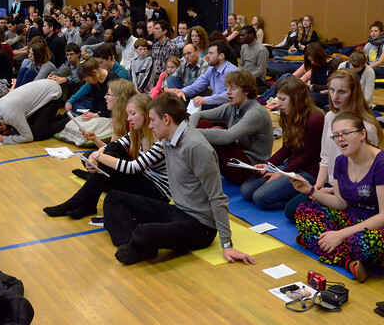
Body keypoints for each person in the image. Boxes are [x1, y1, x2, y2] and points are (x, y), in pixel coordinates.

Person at [103, 93, 256, 265]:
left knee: (143, 231)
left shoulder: (196, 146)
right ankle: (133, 244)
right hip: (178, 211)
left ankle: (137, 243)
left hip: (200, 226)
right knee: (114, 199)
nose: (150, 126)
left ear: (166, 119)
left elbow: (217, 197)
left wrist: (227, 244)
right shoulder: (168, 139)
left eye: (153, 120)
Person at [290, 112, 384, 281]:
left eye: (346, 133)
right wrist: (310, 190)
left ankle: (317, 242)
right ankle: (349, 262)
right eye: (336, 136)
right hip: (357, 222)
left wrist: (340, 235)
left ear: (362, 134)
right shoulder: (340, 161)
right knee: (304, 210)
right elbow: (341, 203)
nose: (340, 139)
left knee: (362, 242)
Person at [45, 93, 170, 219]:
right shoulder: (137, 132)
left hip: (156, 194)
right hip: (143, 180)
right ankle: (88, 204)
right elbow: (114, 145)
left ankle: (75, 203)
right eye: (128, 114)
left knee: (108, 159)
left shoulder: (159, 141)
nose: (129, 119)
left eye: (133, 114)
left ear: (146, 114)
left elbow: (132, 168)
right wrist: (94, 157)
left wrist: (98, 156)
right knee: (109, 153)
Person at [284, 69, 384, 222]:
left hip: (355, 190)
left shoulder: (367, 128)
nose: (335, 96)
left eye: (342, 92)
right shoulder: (330, 116)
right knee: (291, 211)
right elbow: (325, 156)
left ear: (353, 93)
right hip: (332, 184)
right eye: (331, 90)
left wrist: (331, 191)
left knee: (298, 213)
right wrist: (318, 186)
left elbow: (371, 173)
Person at [240, 77, 323, 210]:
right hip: (290, 166)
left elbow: (308, 156)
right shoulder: (288, 113)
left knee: (260, 198)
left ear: (297, 99)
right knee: (246, 191)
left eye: (282, 100)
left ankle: (304, 201)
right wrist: (268, 165)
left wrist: (282, 173)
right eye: (278, 98)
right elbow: (286, 148)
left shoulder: (315, 119)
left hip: (308, 171)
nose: (278, 103)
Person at [190, 70, 273, 185]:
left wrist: (190, 133)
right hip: (234, 164)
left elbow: (227, 137)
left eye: (232, 89)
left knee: (218, 133)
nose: (228, 92)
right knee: (203, 123)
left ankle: (198, 169)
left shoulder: (256, 113)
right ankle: (198, 169)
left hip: (251, 170)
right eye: (227, 88)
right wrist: (190, 129)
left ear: (247, 91)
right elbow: (198, 114)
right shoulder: (233, 107)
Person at [0, 79, 67, 145]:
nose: (7, 134)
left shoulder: (11, 116)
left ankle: (67, 121)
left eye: (5, 134)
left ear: (1, 128)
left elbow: (28, 137)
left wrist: (3, 139)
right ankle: (58, 118)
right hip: (45, 87)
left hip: (53, 94)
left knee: (37, 134)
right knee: (29, 127)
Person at [169, 40, 238, 110]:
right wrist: (182, 92)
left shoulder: (232, 71)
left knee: (192, 108)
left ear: (221, 56)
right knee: (189, 103)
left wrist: (205, 100)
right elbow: (196, 85)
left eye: (211, 54)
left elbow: (230, 95)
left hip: (229, 108)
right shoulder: (211, 69)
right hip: (216, 104)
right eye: (208, 53)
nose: (207, 56)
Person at [238, 25, 269, 91]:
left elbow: (260, 71)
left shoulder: (261, 50)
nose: (240, 37)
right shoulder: (243, 47)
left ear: (251, 35)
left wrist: (246, 77)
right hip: (245, 76)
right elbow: (241, 64)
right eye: (240, 35)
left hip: (257, 78)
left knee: (240, 88)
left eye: (243, 35)